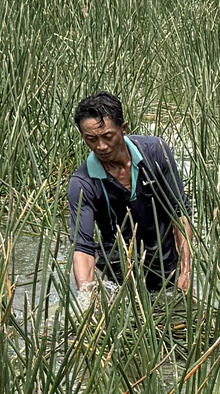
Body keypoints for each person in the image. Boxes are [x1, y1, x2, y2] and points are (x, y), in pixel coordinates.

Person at [68, 92, 192, 305]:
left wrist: (187, 270)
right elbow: (83, 248)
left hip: (167, 270)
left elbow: (179, 213)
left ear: (123, 129)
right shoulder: (82, 183)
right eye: (91, 139)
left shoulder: (156, 153)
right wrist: (86, 300)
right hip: (120, 277)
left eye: (107, 136)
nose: (101, 146)